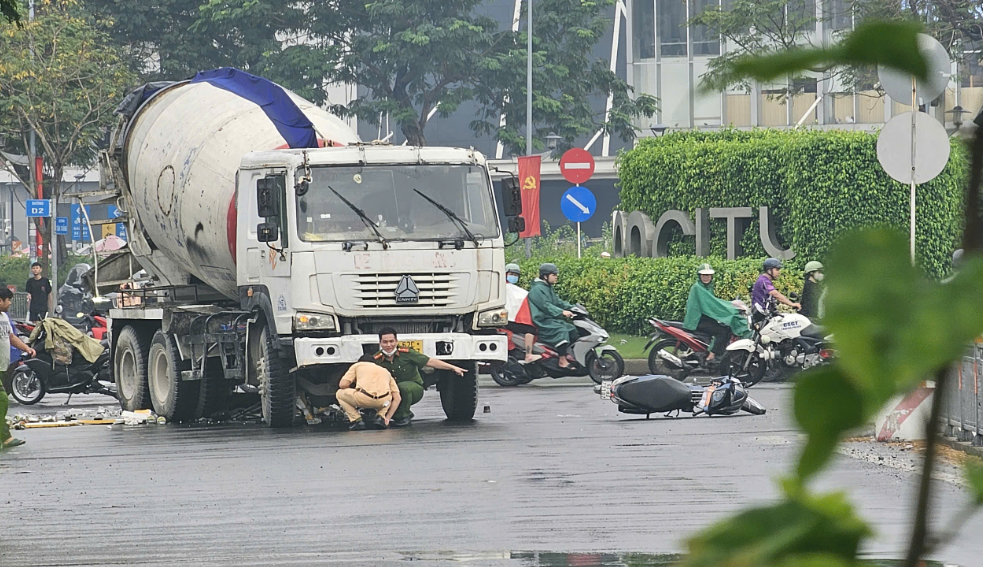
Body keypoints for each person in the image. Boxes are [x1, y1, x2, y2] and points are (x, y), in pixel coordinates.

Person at [370, 327, 466, 427]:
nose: (389, 345)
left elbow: (430, 361)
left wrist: (453, 368)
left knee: (402, 388)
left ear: (396, 341)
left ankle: (403, 416)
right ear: (380, 343)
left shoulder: (407, 353)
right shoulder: (376, 358)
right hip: (390, 392)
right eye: (385, 342)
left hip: (413, 389)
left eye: (391, 341)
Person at [682, 263, 748, 365]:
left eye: (708, 275)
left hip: (705, 318)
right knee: (722, 332)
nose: (706, 277)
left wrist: (731, 305)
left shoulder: (707, 287)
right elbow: (714, 304)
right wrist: (732, 307)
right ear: (699, 276)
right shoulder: (697, 288)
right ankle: (711, 357)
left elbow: (714, 302)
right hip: (697, 321)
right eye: (704, 275)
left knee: (724, 327)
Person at [0, 287, 36, 451]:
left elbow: (11, 337)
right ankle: (5, 437)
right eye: (8, 300)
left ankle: (4, 436)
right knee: (2, 399)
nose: (10, 303)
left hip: (2, 366)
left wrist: (26, 348)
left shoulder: (4, 317)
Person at [527, 263, 578, 369]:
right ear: (545, 276)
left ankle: (569, 355)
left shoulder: (547, 287)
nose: (556, 276)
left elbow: (557, 302)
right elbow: (546, 306)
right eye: (553, 274)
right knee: (562, 330)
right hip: (542, 321)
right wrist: (562, 312)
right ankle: (562, 361)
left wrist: (573, 307)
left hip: (550, 319)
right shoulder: (537, 290)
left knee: (572, 329)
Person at [336, 358, 402, 431]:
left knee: (339, 393)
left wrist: (354, 388)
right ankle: (381, 417)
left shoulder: (357, 365)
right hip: (383, 402)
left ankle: (356, 420)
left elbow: (342, 385)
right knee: (388, 396)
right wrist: (388, 417)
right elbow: (397, 398)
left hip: (363, 398)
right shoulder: (385, 371)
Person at [504, 263, 537, 362]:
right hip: (506, 321)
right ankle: (528, 354)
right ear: (505, 273)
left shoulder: (510, 288)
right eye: (511, 274)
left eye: (516, 275)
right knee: (530, 329)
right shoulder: (505, 287)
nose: (513, 276)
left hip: (507, 319)